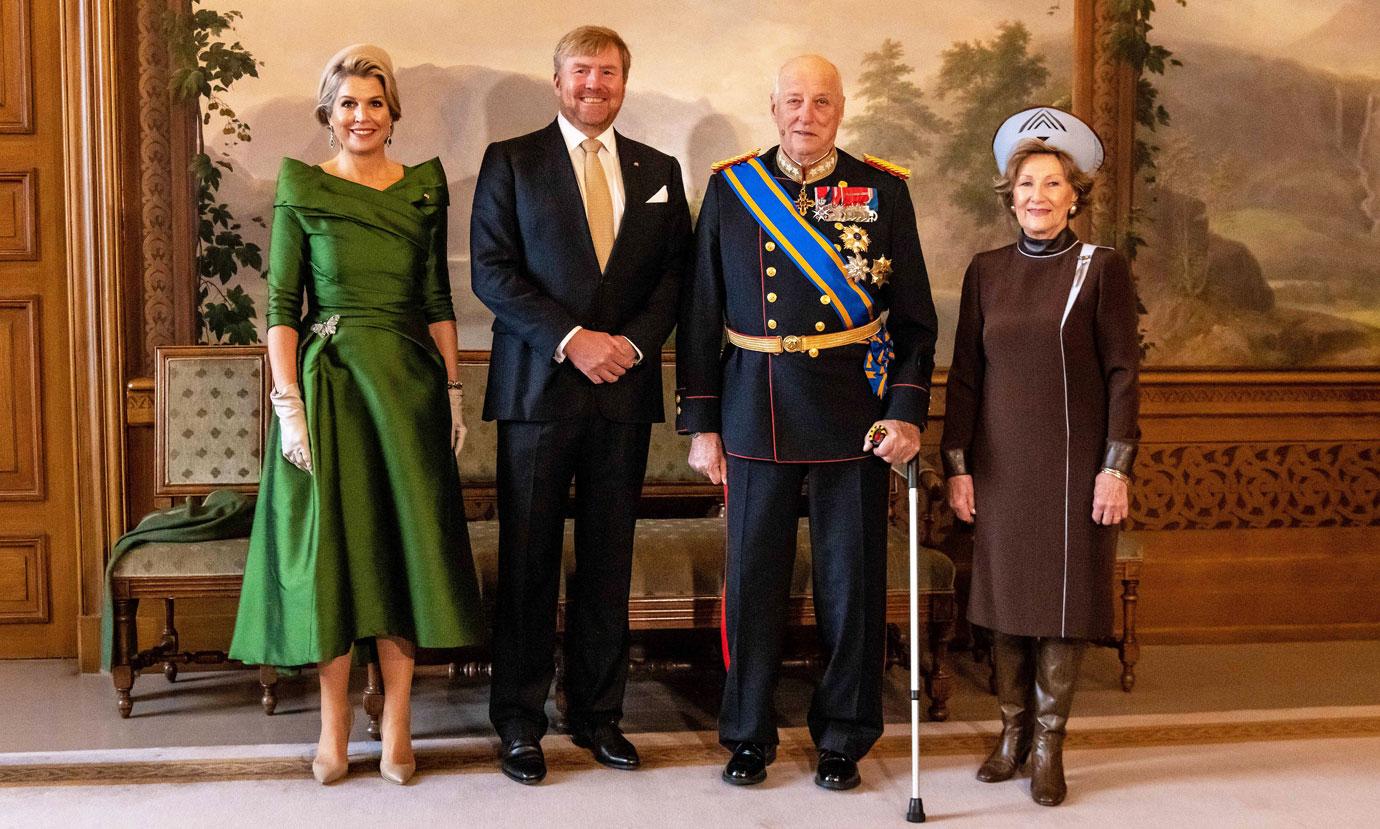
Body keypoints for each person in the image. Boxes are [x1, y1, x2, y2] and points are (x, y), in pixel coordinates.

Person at [677, 54, 938, 791]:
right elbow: (700, 313)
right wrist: (703, 424)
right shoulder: (733, 189)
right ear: (772, 106)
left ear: (841, 109)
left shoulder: (883, 190)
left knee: (850, 586)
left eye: (821, 102)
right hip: (753, 408)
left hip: (853, 411)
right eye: (794, 100)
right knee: (752, 585)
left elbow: (915, 320)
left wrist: (906, 410)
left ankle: (845, 735)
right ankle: (749, 733)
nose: (806, 115)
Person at [229, 44, 482, 787]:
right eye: (347, 103)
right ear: (328, 115)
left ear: (392, 112)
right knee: (338, 557)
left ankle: (399, 721)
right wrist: (288, 407)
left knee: (405, 555)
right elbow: (279, 308)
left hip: (407, 390)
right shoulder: (302, 189)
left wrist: (455, 393)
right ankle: (333, 724)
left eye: (374, 102)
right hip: (329, 387)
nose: (361, 116)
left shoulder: (424, 189)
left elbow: (438, 301)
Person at [469, 25, 692, 785]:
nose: (594, 84)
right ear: (557, 79)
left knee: (607, 563)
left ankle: (598, 716)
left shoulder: (659, 169)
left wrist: (627, 344)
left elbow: (674, 276)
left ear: (625, 81)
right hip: (537, 390)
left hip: (622, 392)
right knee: (528, 561)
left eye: (608, 72)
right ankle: (520, 722)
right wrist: (574, 339)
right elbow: (492, 273)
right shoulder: (512, 161)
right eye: (581, 71)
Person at [941, 107, 1140, 807]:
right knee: (1003, 600)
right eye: (1027, 183)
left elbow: (1122, 372)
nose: (1038, 196)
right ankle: (1011, 732)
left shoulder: (1101, 268)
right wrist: (958, 466)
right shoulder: (986, 271)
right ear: (1011, 192)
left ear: (1074, 195)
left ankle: (1051, 744)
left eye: (1053, 184)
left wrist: (1116, 466)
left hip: (1073, 467)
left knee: (1061, 602)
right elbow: (964, 374)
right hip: (999, 466)